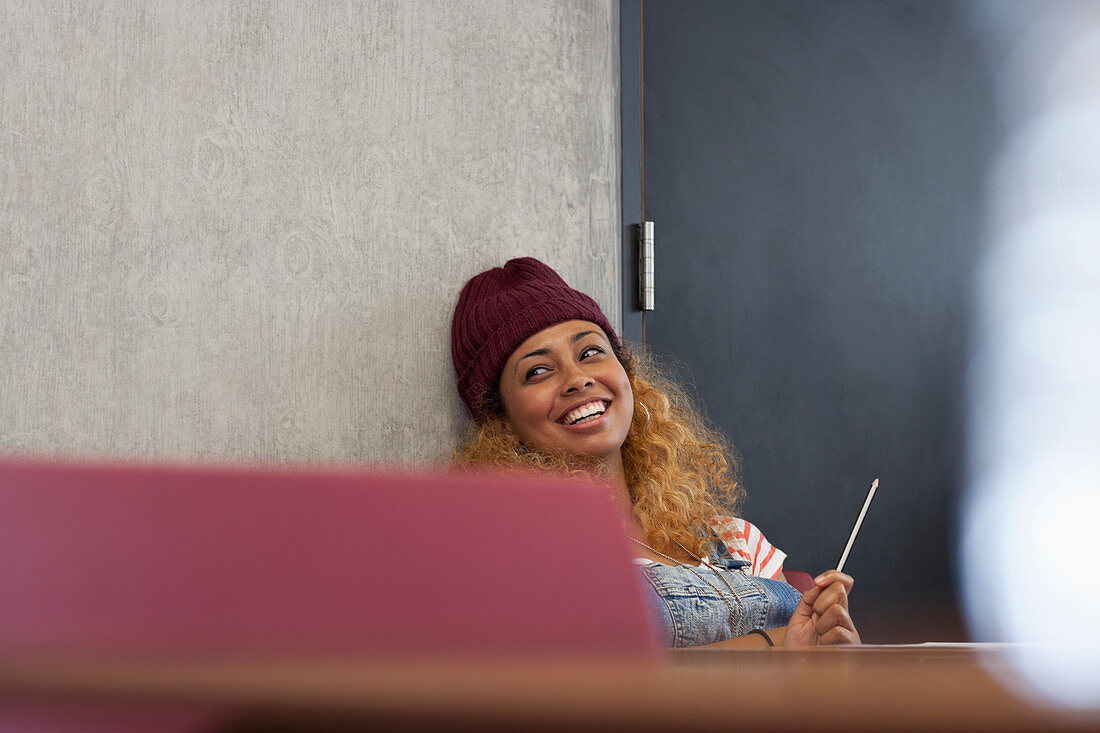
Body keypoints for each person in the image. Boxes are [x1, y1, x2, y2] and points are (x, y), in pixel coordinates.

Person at [450, 257, 860, 648]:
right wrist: (775, 646)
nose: (578, 379)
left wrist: (839, 653)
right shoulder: (513, 563)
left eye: (591, 352)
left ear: (627, 377)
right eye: (538, 371)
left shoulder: (735, 540)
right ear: (501, 425)